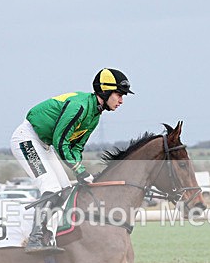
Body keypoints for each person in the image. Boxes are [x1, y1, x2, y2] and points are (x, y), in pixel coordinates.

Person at [10, 68, 133, 253]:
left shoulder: (94, 115)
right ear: (105, 91)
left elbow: (75, 148)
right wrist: (79, 171)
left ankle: (48, 237)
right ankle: (34, 239)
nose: (121, 101)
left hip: (45, 145)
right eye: (119, 95)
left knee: (65, 191)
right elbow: (61, 142)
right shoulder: (79, 107)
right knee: (51, 188)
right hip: (26, 139)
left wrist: (81, 171)